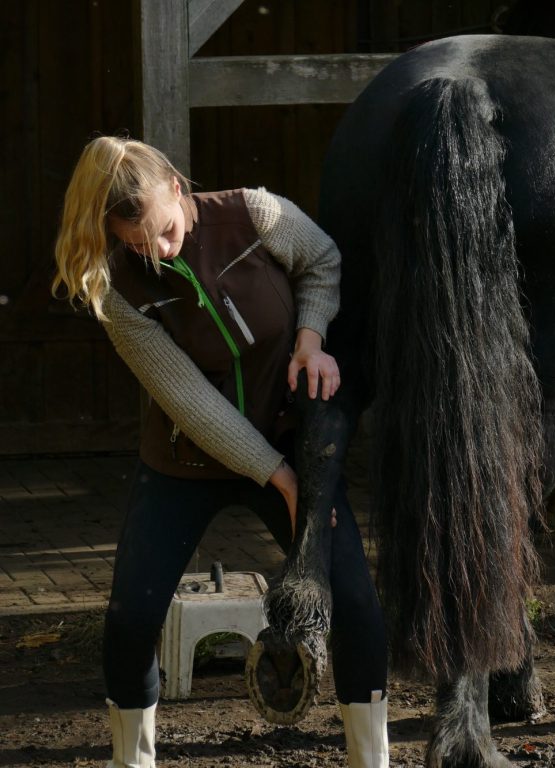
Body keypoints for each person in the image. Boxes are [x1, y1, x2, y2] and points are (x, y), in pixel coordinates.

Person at [52, 136, 388, 768]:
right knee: (129, 620)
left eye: (166, 232)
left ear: (179, 187)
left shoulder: (256, 215)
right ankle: (134, 761)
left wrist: (311, 341)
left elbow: (322, 260)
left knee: (356, 603)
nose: (156, 251)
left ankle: (371, 760)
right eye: (137, 243)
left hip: (290, 441)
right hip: (187, 461)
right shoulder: (118, 292)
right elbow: (191, 403)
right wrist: (284, 481)